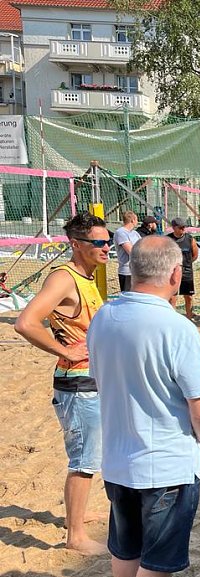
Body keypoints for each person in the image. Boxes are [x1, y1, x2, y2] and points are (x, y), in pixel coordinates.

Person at [89, 235, 200, 577]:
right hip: (165, 462)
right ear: (176, 274)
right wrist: (198, 439)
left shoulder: (104, 317)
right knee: (158, 561)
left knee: (126, 548)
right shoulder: (177, 328)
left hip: (118, 457)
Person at [14, 213, 110, 556]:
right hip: (77, 382)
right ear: (76, 245)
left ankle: (77, 517)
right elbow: (26, 322)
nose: (106, 247)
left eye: (107, 240)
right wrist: (64, 349)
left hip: (91, 379)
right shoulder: (64, 279)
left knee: (91, 456)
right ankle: (76, 537)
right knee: (83, 460)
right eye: (98, 242)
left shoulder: (87, 278)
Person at [167, 218, 198, 320]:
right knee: (172, 297)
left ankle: (189, 318)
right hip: (172, 272)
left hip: (187, 271)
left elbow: (194, 255)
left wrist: (186, 264)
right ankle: (172, 319)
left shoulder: (190, 239)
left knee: (188, 297)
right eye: (181, 227)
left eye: (184, 227)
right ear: (174, 228)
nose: (183, 229)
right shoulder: (168, 240)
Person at [114, 211, 141, 292]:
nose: (137, 222)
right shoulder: (121, 232)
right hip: (126, 271)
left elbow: (143, 246)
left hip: (137, 271)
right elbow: (131, 251)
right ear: (132, 220)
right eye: (136, 220)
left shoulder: (135, 233)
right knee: (128, 297)